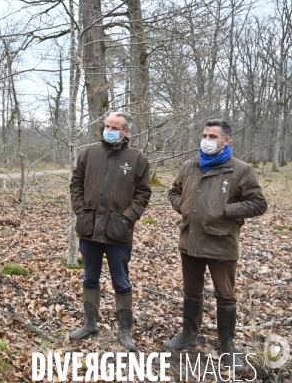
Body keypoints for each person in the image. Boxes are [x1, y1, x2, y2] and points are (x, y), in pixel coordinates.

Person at [165, 119, 267, 374]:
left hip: (222, 243)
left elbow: (258, 203)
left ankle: (226, 344)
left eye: (213, 136)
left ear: (226, 140)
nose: (207, 140)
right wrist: (182, 206)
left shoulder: (241, 170)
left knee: (225, 294)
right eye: (204, 135)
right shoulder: (190, 166)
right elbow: (173, 192)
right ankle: (188, 335)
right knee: (191, 291)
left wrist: (227, 210)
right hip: (190, 239)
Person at [69, 111, 151, 351]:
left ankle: (125, 331)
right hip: (89, 229)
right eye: (107, 126)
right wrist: (80, 210)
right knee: (89, 277)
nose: (109, 130)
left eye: (115, 127)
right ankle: (89, 323)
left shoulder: (136, 159)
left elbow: (143, 193)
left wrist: (127, 218)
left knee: (121, 281)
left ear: (126, 132)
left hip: (118, 232)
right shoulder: (89, 154)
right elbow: (76, 183)